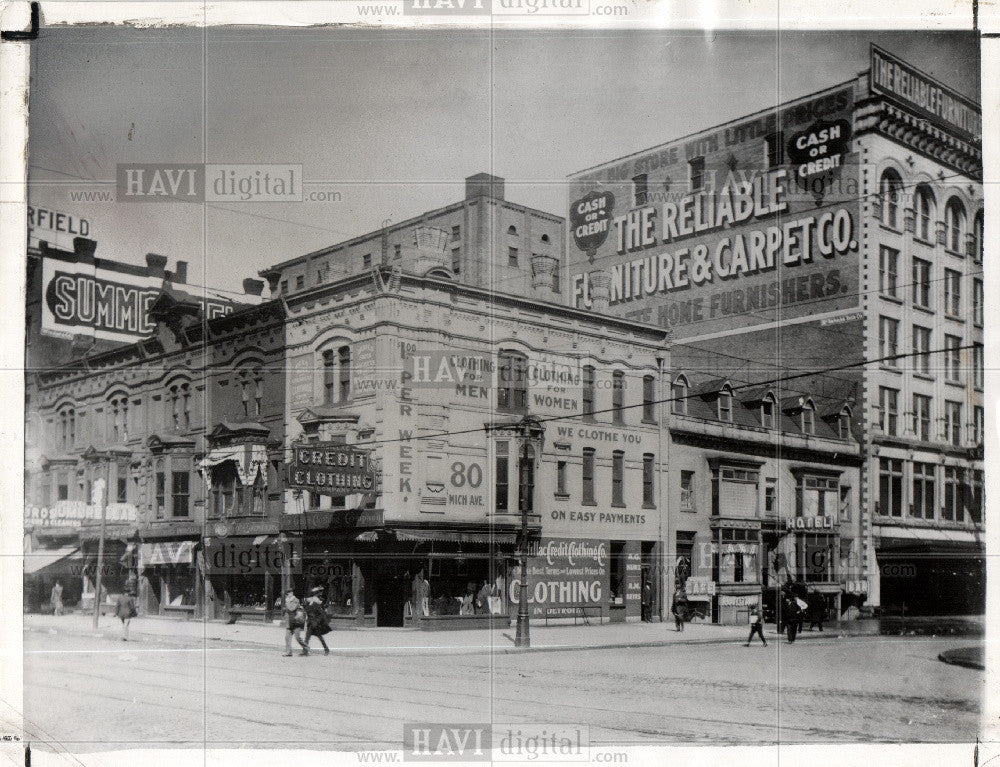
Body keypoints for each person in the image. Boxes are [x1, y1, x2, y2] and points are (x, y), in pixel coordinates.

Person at [303, 586, 331, 655]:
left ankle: (326, 649)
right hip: (310, 623)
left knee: (320, 637)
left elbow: (321, 614)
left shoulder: (316, 604)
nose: (307, 599)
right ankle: (305, 651)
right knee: (307, 638)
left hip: (315, 624)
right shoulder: (309, 604)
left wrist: (316, 622)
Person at [282, 589, 308, 657]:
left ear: (292, 593)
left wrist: (287, 603)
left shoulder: (296, 600)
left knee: (297, 637)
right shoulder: (288, 600)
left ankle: (306, 648)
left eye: (288, 594)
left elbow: (292, 609)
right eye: (286, 595)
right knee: (287, 637)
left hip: (295, 621)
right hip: (289, 622)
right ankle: (288, 652)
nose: (287, 596)